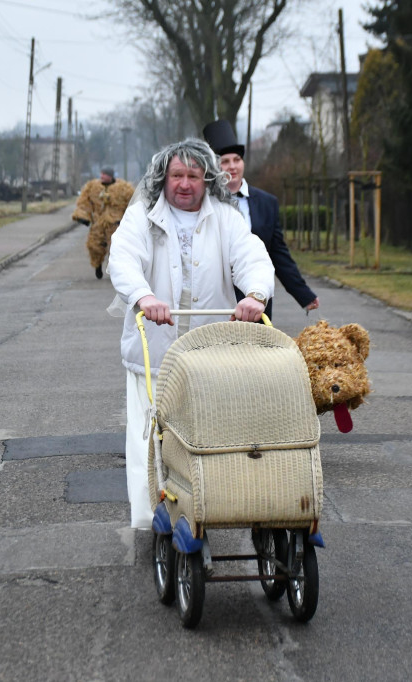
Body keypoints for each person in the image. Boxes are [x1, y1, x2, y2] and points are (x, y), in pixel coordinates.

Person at [108, 138, 274, 529]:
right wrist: (145, 296)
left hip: (209, 352)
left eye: (194, 176)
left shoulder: (226, 217)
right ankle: (151, 516)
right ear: (163, 177)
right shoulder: (143, 215)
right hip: (154, 350)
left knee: (211, 431)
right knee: (149, 436)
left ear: (208, 179)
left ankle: (210, 506)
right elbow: (123, 257)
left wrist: (254, 295)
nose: (184, 184)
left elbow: (251, 256)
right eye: (177, 175)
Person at [202, 119, 319, 319]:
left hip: (256, 300)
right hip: (217, 300)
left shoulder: (267, 202)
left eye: (237, 160)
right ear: (214, 166)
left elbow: (278, 253)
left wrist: (303, 294)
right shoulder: (204, 203)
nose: (232, 167)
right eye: (225, 161)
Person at [72, 167, 135, 279]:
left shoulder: (124, 188)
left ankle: (116, 270)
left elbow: (132, 203)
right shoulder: (92, 187)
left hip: (116, 224)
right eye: (101, 174)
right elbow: (84, 202)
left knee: (117, 248)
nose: (101, 176)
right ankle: (98, 265)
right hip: (98, 223)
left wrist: (132, 219)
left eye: (104, 174)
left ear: (110, 176)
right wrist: (83, 216)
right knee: (94, 246)